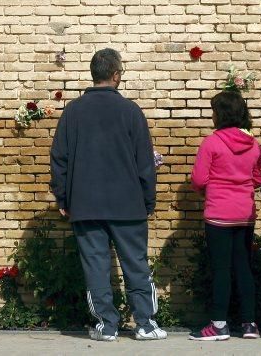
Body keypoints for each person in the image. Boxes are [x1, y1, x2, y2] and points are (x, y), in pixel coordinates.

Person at [49, 48, 166, 342]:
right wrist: (148, 200)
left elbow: (59, 159)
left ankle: (106, 326)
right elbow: (145, 162)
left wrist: (63, 199)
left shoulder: (73, 111)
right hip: (128, 205)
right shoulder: (130, 111)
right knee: (136, 265)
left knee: (96, 267)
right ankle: (145, 324)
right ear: (116, 75)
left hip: (85, 205)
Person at [188, 91, 261, 342]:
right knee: (244, 268)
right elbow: (258, 178)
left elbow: (199, 179)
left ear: (220, 114)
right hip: (245, 214)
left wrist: (208, 190)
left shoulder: (212, 142)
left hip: (219, 215)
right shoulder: (254, 144)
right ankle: (249, 323)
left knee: (221, 269)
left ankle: (219, 325)